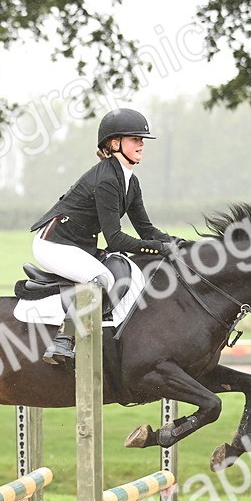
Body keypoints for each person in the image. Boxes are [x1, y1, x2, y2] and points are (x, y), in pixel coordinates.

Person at [29, 107, 188, 367]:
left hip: (78, 245)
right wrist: (159, 248)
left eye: (142, 140)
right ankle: (63, 338)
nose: (141, 145)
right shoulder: (106, 180)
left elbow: (145, 230)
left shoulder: (130, 182)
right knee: (101, 277)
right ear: (115, 144)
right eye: (135, 139)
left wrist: (175, 243)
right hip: (53, 244)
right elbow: (115, 240)